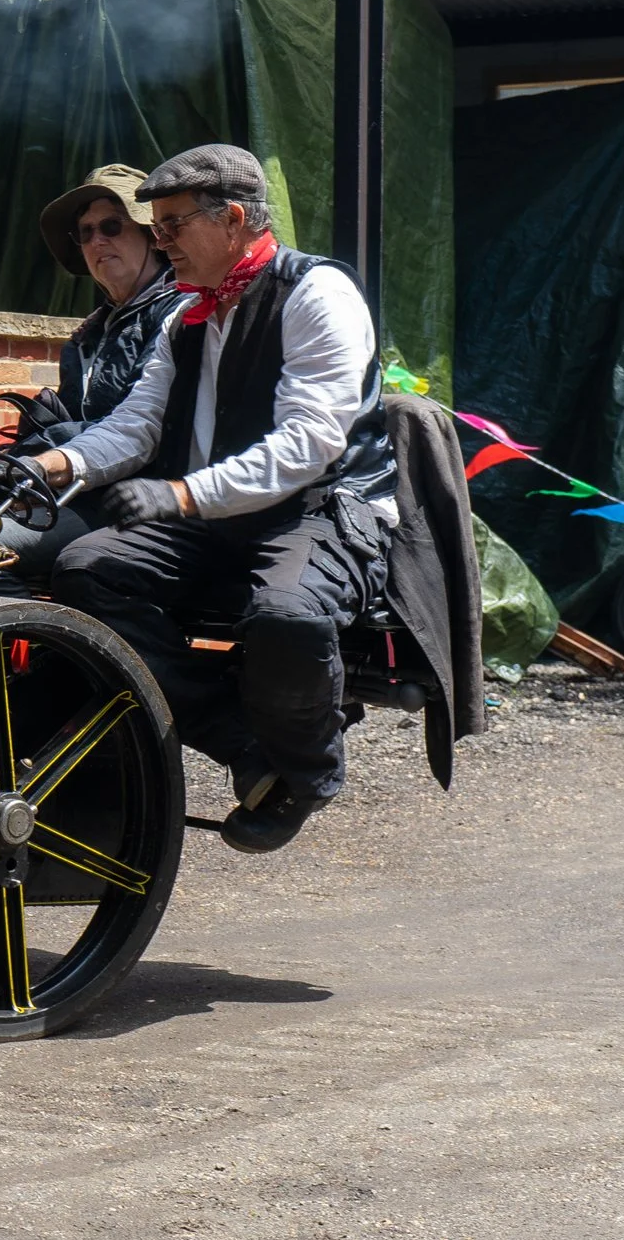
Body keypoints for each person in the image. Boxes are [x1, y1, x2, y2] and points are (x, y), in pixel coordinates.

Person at [33, 143, 395, 854]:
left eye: (170, 225)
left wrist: (183, 492)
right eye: (157, 227)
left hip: (320, 506)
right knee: (84, 570)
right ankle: (238, 738)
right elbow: (136, 428)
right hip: (216, 513)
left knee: (287, 614)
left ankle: (308, 771)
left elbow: (305, 448)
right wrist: (54, 462)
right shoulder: (188, 316)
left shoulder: (318, 293)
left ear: (233, 219)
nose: (158, 241)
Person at [0, 165, 182, 579]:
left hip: (139, 501)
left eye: (112, 226)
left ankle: (38, 641)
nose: (97, 241)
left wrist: (34, 459)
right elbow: (74, 422)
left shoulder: (178, 315)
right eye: (86, 232)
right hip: (77, 493)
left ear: (151, 235)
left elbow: (138, 429)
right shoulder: (86, 338)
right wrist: (20, 458)